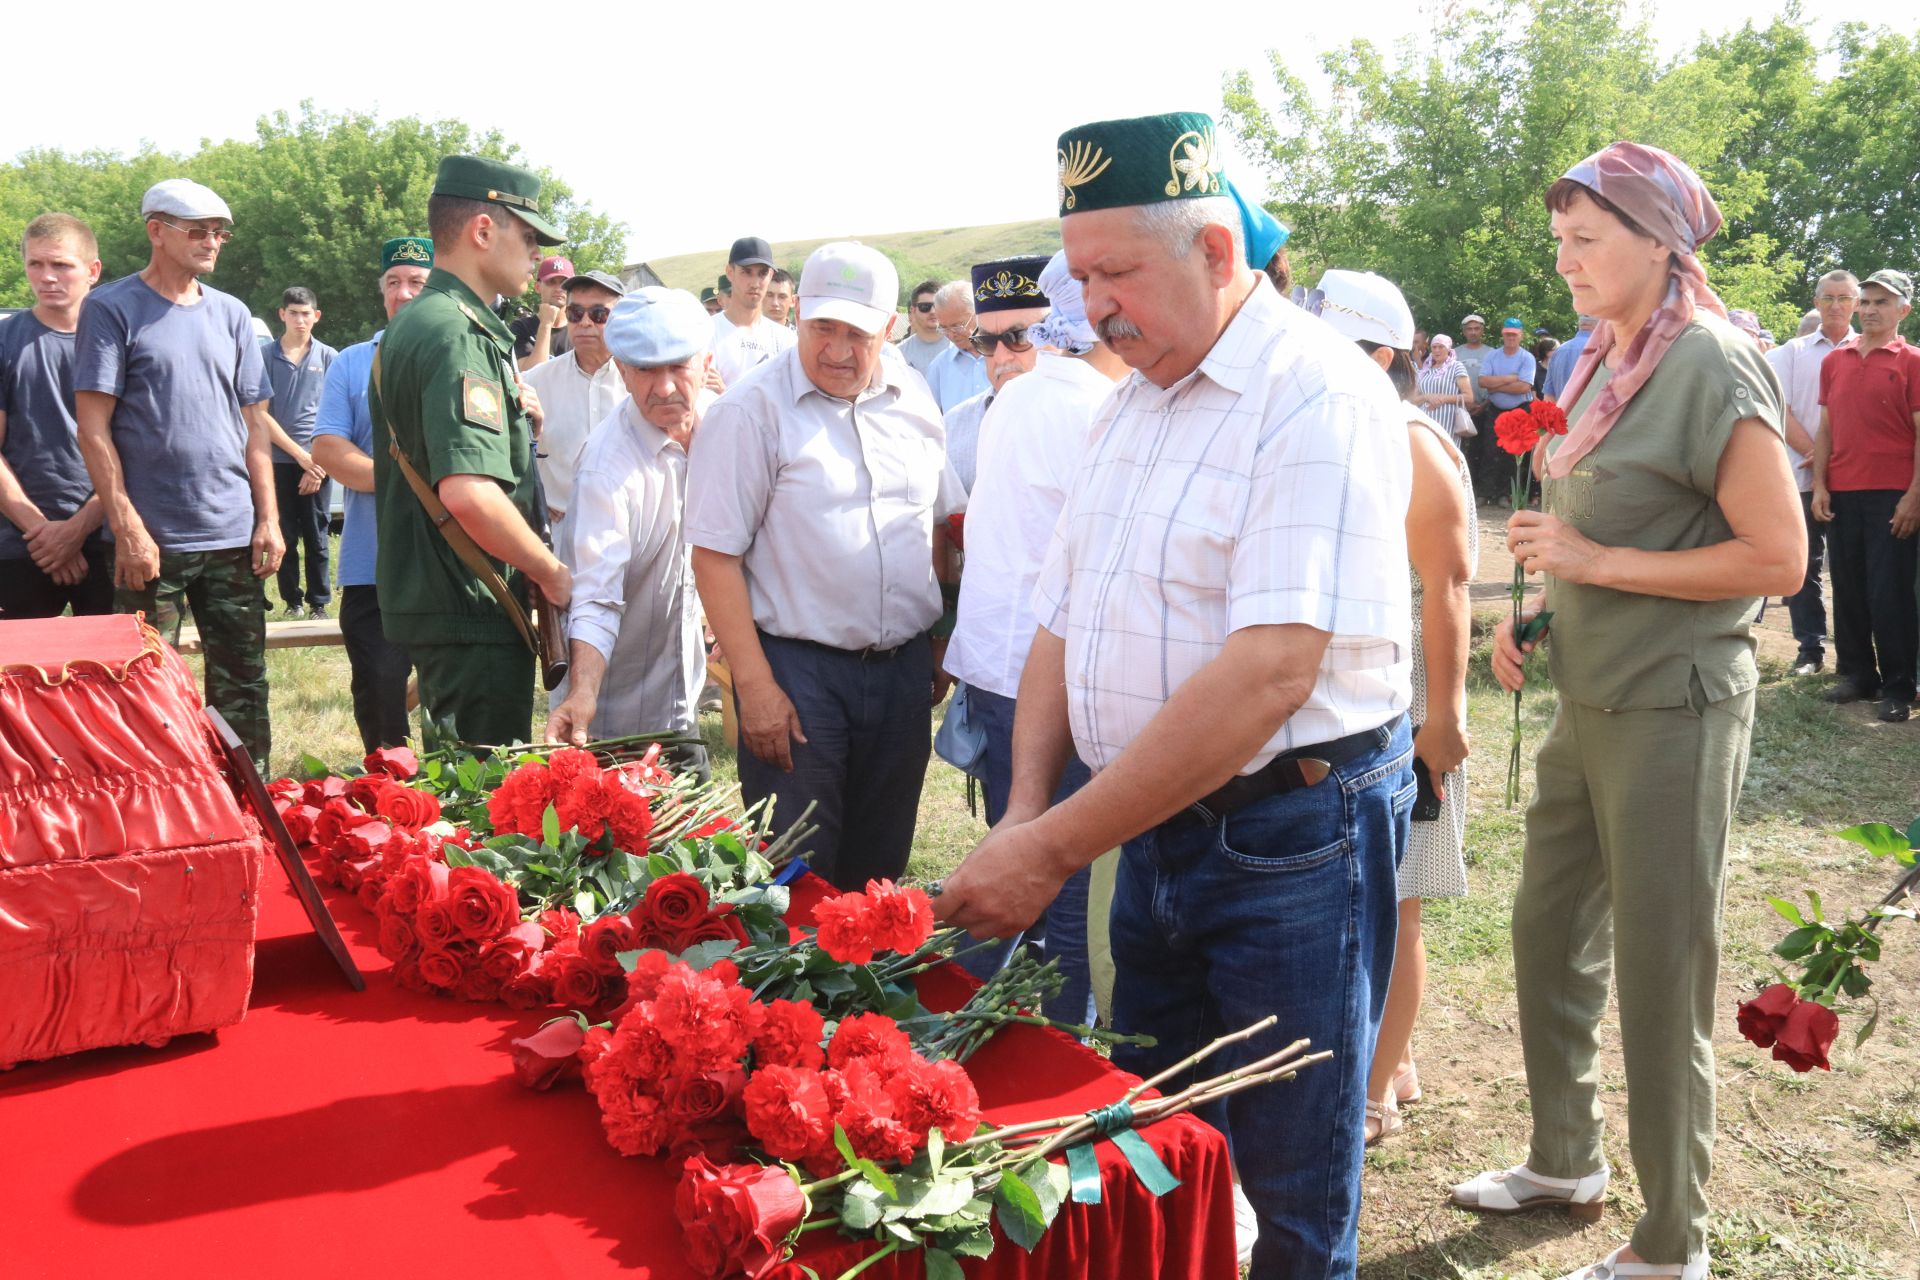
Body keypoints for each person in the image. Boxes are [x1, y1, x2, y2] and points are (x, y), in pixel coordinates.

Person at [935, 112, 1415, 1279]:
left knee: (1292, 1183)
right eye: (1079, 276)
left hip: (1290, 836)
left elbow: (1269, 672)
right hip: (1149, 829)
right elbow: (1062, 615)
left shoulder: (1315, 394)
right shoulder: (1133, 401)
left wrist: (1049, 850)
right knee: (1159, 1142)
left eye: (1114, 273)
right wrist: (1024, 808)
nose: (1090, 307)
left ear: (1211, 247)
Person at [1453, 142, 1805, 1280]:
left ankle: (1671, 1244)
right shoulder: (1605, 358)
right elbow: (1613, 534)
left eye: (1586, 239)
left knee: (1662, 973)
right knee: (1546, 929)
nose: (1565, 261)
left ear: (1662, 241)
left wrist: (1592, 553)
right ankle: (1567, 1157)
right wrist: (1542, 610)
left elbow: (1777, 559)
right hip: (1589, 700)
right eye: (1559, 240)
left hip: (1675, 708)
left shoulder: (1711, 362)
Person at [686, 241, 962, 890]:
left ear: (889, 329)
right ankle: (791, 997)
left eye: (857, 334)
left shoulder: (914, 398)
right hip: (797, 677)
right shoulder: (749, 413)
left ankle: (865, 996)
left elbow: (940, 524)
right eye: (822, 329)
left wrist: (941, 636)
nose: (836, 350)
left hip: (901, 675)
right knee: (795, 878)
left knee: (879, 875)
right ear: (798, 314)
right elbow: (714, 556)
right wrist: (754, 687)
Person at [1309, 270, 1477, 1148]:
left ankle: (1375, 1087)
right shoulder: (1349, 426)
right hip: (1366, 698)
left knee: (1398, 896)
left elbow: (1446, 582)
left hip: (1408, 703)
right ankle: (1394, 1059)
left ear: (1386, 356)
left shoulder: (1405, 438)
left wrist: (1441, 717)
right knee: (1369, 892)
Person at [943, 249, 1128, 1025]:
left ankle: (993, 1034)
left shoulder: (1022, 402)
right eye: (987, 342)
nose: (999, 358)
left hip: (1006, 674)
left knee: (1021, 862)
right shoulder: (1090, 406)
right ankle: (1052, 1059)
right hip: (1053, 683)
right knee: (1069, 891)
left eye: (1012, 338)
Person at [72, 178, 283, 764]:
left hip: (232, 536)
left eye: (220, 232)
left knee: (243, 684)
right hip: (151, 544)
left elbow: (256, 427)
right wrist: (129, 528)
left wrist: (268, 518)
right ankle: (151, 812)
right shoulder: (112, 309)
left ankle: (249, 802)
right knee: (136, 689)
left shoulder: (234, 314)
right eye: (198, 231)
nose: (213, 241)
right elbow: (93, 430)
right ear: (156, 232)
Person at [370, 154, 572, 747]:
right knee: (478, 813)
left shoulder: (425, 320)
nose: (537, 254)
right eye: (529, 236)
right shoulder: (459, 331)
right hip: (469, 601)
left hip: (452, 593)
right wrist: (550, 572)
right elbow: (469, 492)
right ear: (483, 231)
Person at [546, 287, 716, 778]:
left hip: (682, 702)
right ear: (621, 371)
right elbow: (596, 595)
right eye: (644, 369)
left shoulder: (726, 428)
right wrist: (583, 695)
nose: (663, 388)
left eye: (677, 367)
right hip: (614, 724)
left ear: (706, 363)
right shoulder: (607, 467)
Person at [311, 236, 433, 751]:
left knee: (455, 697)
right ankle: (391, 802)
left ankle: (467, 803)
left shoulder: (470, 355)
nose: (404, 294)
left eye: (418, 283)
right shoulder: (353, 363)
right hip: (373, 565)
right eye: (393, 283)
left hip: (453, 563)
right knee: (381, 692)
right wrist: (419, 478)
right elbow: (329, 449)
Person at [1811, 268, 1920, 722]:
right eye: (1867, 301)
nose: (1872, 309)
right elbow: (1826, 428)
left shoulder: (1912, 361)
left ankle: (1900, 685)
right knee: (1850, 588)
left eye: (1882, 302)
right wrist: (1819, 484)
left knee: (1891, 592)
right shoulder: (1835, 360)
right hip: (1842, 491)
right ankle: (1857, 674)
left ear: (1903, 310)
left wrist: (1914, 496)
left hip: (1893, 494)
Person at [0, 213, 113, 619]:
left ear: (92, 270)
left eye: (61, 265)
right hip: (22, 544)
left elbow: (139, 448)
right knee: (17, 677)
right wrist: (45, 535)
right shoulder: (6, 341)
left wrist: (77, 529)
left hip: (109, 537)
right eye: (36, 264)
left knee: (114, 675)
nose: (47, 276)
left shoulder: (122, 345)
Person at [1767, 271, 1857, 676]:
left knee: (1854, 567)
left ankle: (1857, 656)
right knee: (1804, 565)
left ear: (1856, 303)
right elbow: (1776, 408)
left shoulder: (1871, 349)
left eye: (1844, 297)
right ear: (1817, 302)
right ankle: (1810, 649)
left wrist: (1835, 461)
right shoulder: (1790, 352)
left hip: (1856, 478)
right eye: (1829, 297)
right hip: (1800, 476)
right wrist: (1813, 453)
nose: (1836, 305)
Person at [523, 268, 626, 571]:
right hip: (561, 533)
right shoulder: (537, 381)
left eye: (598, 314)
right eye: (575, 313)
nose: (584, 323)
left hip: (627, 531)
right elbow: (512, 450)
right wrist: (536, 497)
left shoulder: (641, 378)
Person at [941, 256, 1049, 495]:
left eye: (1018, 337)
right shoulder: (954, 426)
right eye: (987, 342)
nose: (1001, 357)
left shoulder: (1092, 416)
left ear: (1053, 335)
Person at [262, 286, 338, 620]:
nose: (300, 320)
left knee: (317, 535)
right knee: (285, 535)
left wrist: (315, 464)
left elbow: (338, 416)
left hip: (319, 462)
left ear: (316, 316)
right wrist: (300, 457)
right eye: (293, 313)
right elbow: (260, 415)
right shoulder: (264, 356)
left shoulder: (329, 357)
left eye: (306, 313)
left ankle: (319, 603)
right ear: (282, 314)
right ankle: (291, 601)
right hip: (278, 460)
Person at [710, 236, 796, 387]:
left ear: (770, 275)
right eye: (747, 272)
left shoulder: (786, 339)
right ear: (730, 272)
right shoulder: (708, 331)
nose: (755, 283)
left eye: (762, 273)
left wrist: (725, 392)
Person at [1478, 317, 1538, 497]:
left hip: (1519, 409)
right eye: (1507, 334)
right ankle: (1487, 493)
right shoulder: (1492, 356)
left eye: (1514, 335)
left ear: (1521, 336)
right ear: (1502, 335)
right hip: (1495, 409)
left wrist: (1494, 384)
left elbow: (1524, 387)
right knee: (1490, 450)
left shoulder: (1527, 358)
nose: (1510, 338)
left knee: (1514, 454)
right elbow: (1482, 381)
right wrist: (1510, 378)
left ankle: (1508, 494)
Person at [925, 280, 989, 412]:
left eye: (957, 326)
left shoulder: (1005, 356)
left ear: (977, 313)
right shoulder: (939, 366)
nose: (951, 334)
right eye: (944, 328)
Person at [512, 255, 574, 370]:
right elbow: (529, 375)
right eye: (551, 281)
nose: (559, 288)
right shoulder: (522, 327)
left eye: (565, 283)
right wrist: (545, 324)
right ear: (537, 287)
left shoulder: (579, 328)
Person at [1413, 333, 1475, 442]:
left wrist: (1443, 398)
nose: (1437, 350)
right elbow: (1412, 400)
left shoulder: (1456, 366)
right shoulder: (1425, 370)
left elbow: (1469, 397)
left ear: (1448, 349)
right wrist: (1427, 397)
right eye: (1434, 347)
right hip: (1425, 423)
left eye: (1441, 347)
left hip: (1447, 424)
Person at [896, 279, 949, 376]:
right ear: (913, 310)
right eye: (925, 307)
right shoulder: (900, 352)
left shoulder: (960, 347)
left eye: (937, 305)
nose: (932, 311)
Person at [1541, 314, 1597, 401]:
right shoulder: (1601, 349)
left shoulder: (1558, 351)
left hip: (1563, 412)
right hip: (1592, 413)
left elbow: (1549, 398)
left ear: (1580, 324)